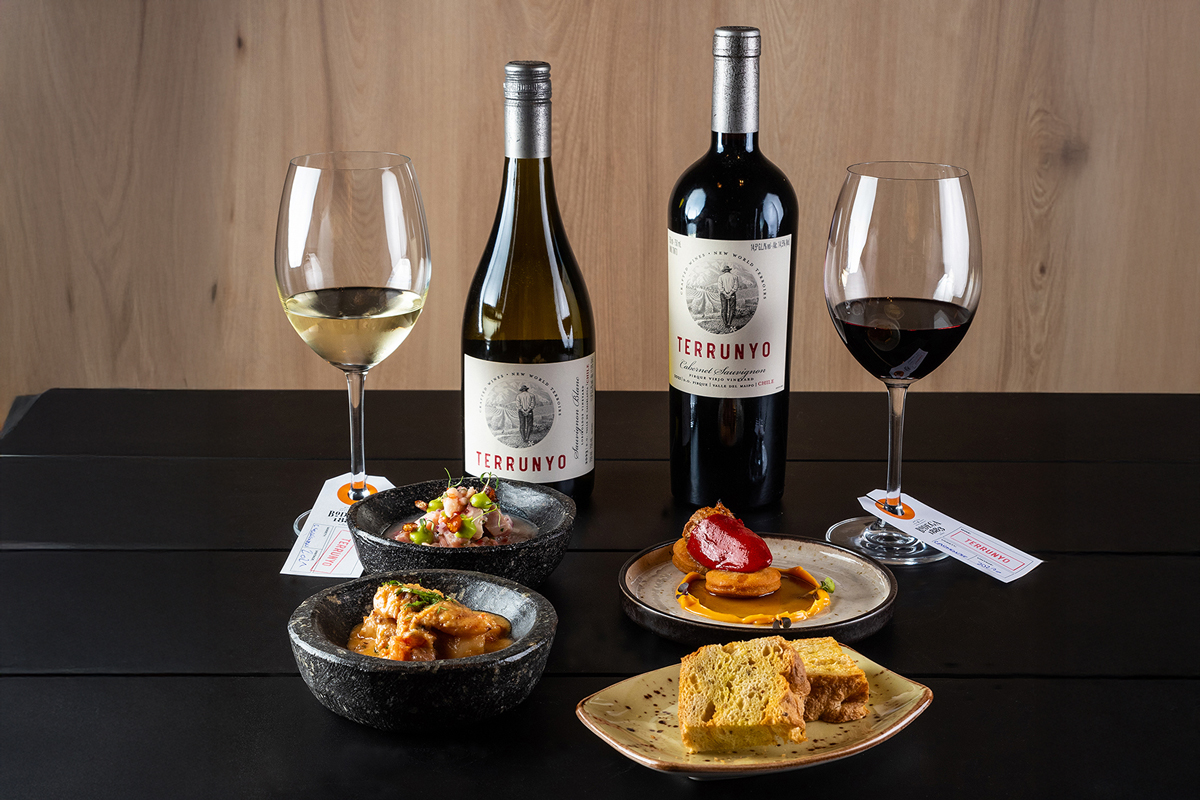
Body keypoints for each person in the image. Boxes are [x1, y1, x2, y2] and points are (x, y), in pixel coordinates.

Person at [717, 265, 738, 330]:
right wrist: (730, 293)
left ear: (724, 271)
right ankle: (729, 323)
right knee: (732, 309)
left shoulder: (720, 277)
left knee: (724, 308)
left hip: (723, 294)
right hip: (732, 294)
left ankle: (725, 324)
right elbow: (735, 287)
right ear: (729, 270)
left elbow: (720, 287)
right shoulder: (735, 277)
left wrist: (725, 293)